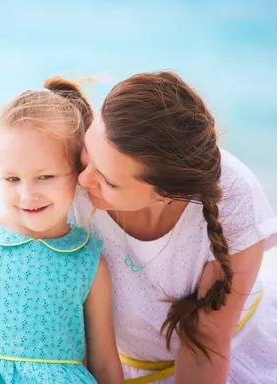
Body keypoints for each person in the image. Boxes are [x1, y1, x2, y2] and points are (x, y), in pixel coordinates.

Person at [72, 70, 277, 383]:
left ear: (166, 195)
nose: (84, 180)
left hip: (228, 351)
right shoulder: (71, 186)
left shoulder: (234, 198)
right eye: (89, 152)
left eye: (108, 181)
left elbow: (206, 341)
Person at [0, 77, 123, 383]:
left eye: (45, 176)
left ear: (78, 173)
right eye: (12, 179)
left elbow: (104, 362)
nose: (27, 195)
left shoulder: (88, 260)